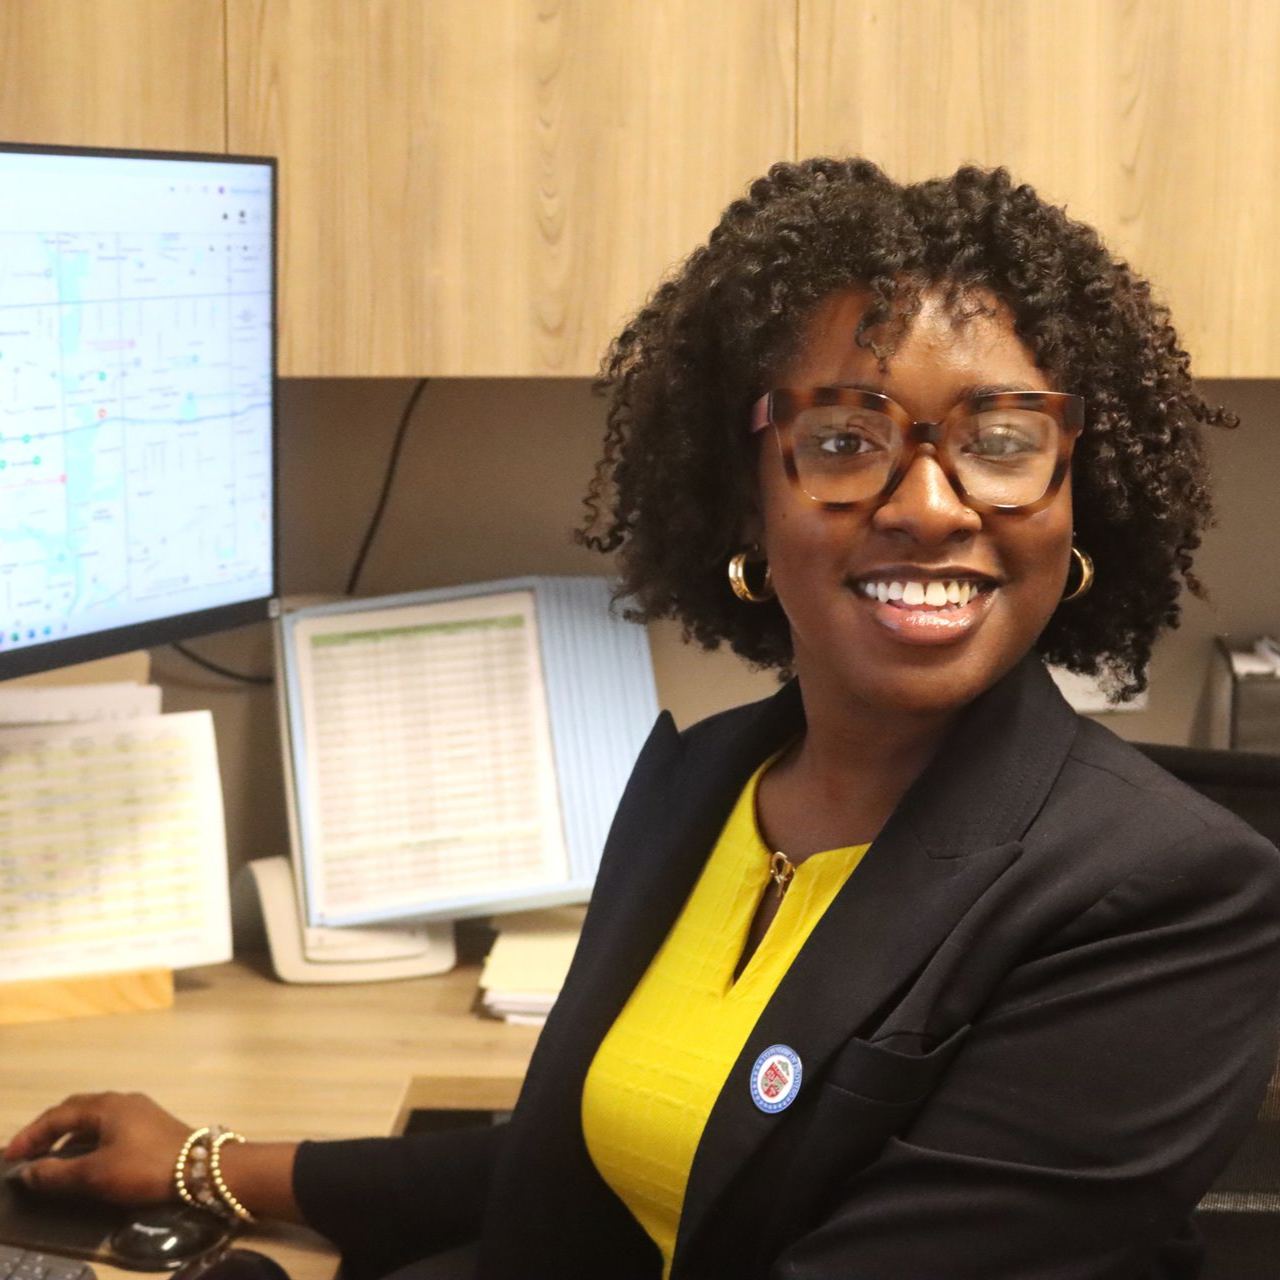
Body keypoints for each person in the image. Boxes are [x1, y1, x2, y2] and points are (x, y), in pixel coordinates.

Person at [7, 158, 1280, 1280]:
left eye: (1000, 440)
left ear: (1074, 501)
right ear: (744, 501)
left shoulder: (1170, 897)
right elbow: (597, 1162)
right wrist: (212, 1164)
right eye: (845, 439)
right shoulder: (708, 779)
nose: (929, 503)